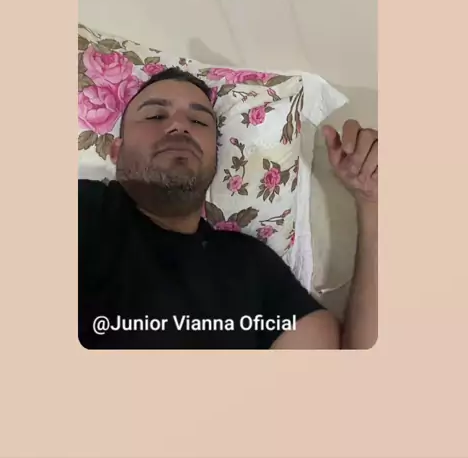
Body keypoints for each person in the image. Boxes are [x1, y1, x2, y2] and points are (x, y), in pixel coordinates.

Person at [79, 68, 377, 349]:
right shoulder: (83, 209)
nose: (180, 126)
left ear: (216, 156)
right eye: (156, 115)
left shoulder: (252, 267)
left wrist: (371, 202)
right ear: (117, 150)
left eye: (198, 122)